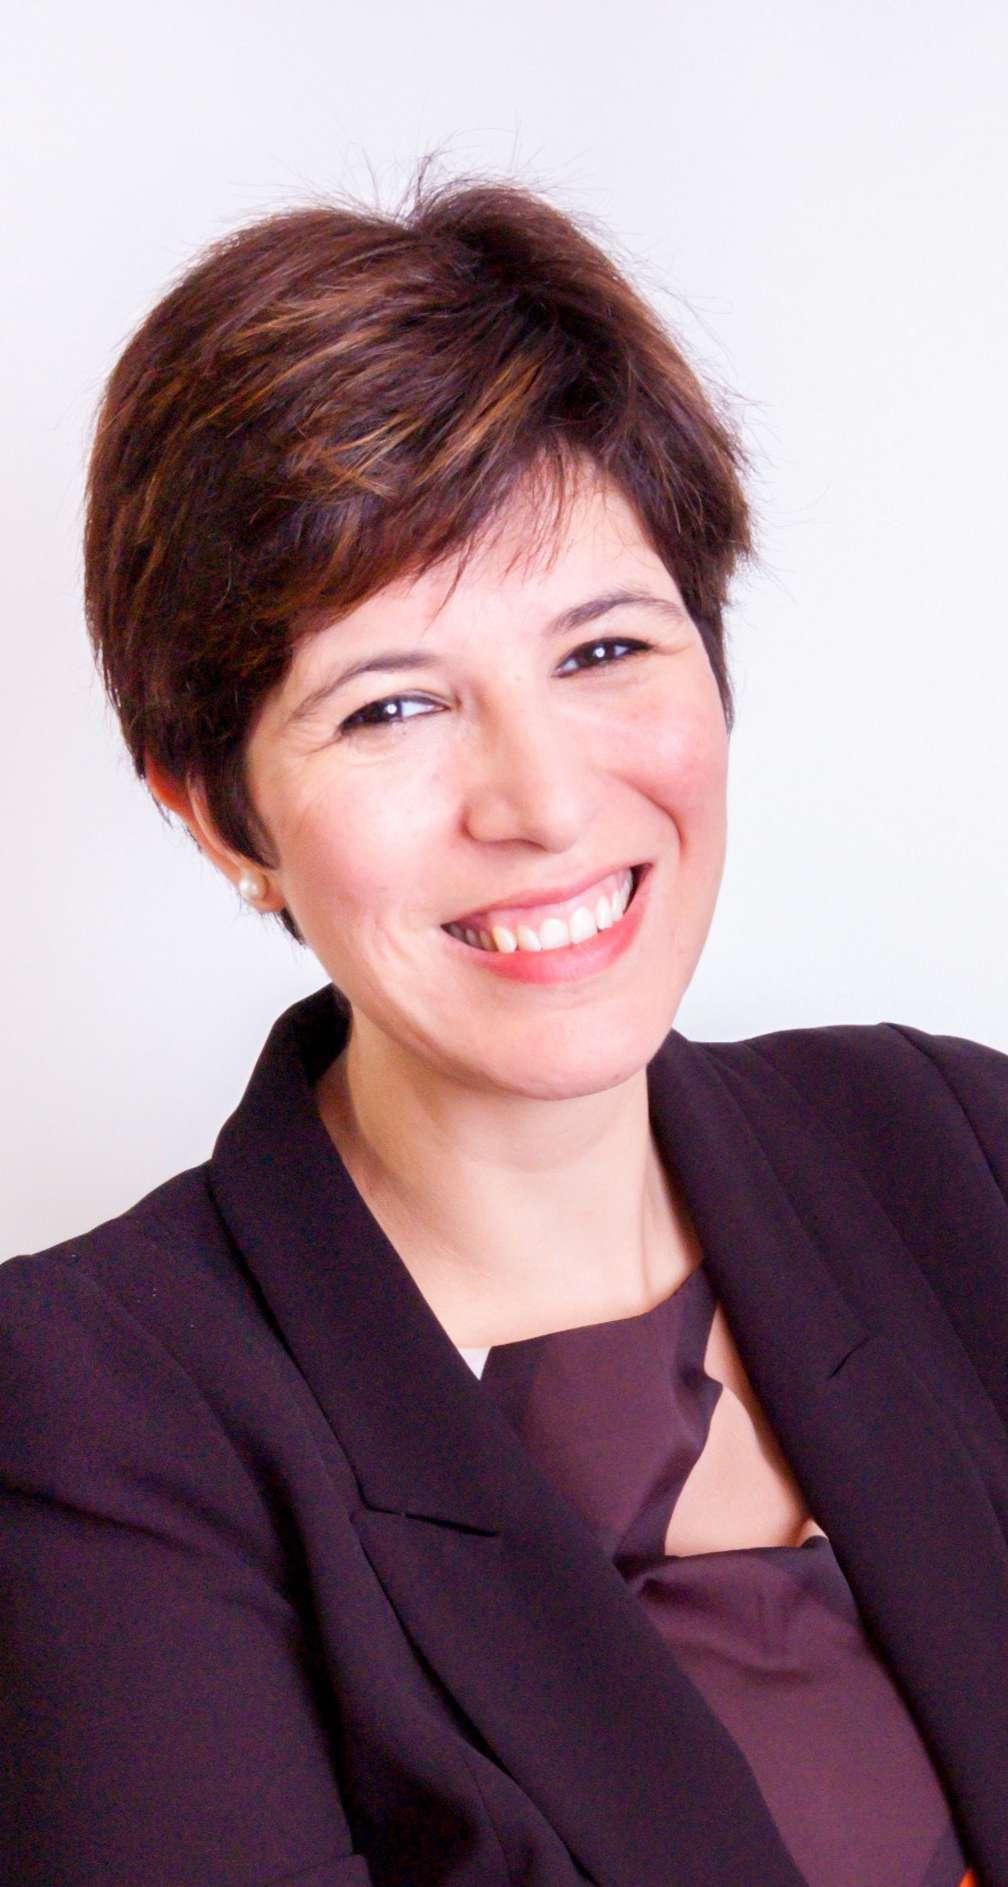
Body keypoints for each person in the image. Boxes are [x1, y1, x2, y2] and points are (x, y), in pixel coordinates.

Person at [1, 171, 1004, 1887]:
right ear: (217, 814)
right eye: (392, 704)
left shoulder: (957, 1147)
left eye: (603, 649)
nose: (541, 801)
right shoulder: (91, 1419)